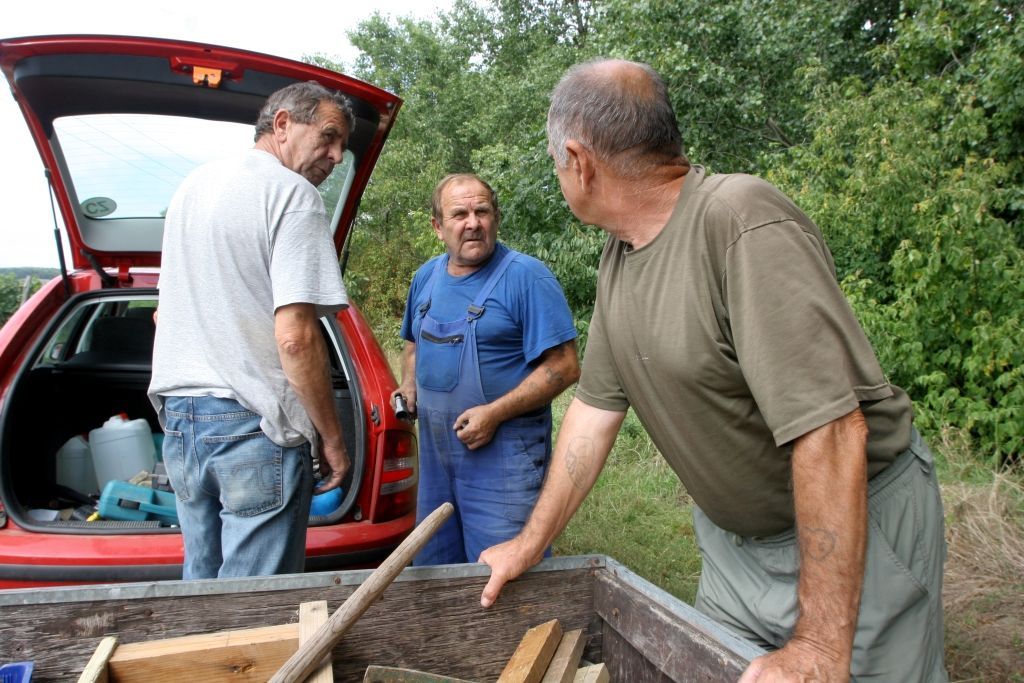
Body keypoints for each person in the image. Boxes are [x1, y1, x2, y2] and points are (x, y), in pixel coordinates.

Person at [478, 60, 948, 682]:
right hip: (734, 551)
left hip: (857, 523)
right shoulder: (621, 258)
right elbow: (592, 416)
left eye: (556, 163)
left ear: (579, 160)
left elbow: (831, 430)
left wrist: (818, 647)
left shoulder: (740, 220)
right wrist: (532, 541)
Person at [148, 81, 353, 579]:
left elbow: (163, 313)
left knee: (203, 584)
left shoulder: (193, 187)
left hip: (179, 423)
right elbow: (295, 337)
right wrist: (332, 438)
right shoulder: (293, 195)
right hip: (250, 426)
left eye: (342, 145)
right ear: (282, 124)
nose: (337, 155)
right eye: (327, 137)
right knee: (255, 609)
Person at [392, 173, 580, 566]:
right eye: (459, 214)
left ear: (495, 217)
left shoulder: (526, 277)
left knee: (503, 573)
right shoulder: (425, 277)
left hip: (503, 463)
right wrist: (409, 384)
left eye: (482, 211)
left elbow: (564, 365)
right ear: (437, 226)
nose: (473, 222)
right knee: (435, 572)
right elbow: (413, 342)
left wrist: (495, 413)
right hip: (436, 459)